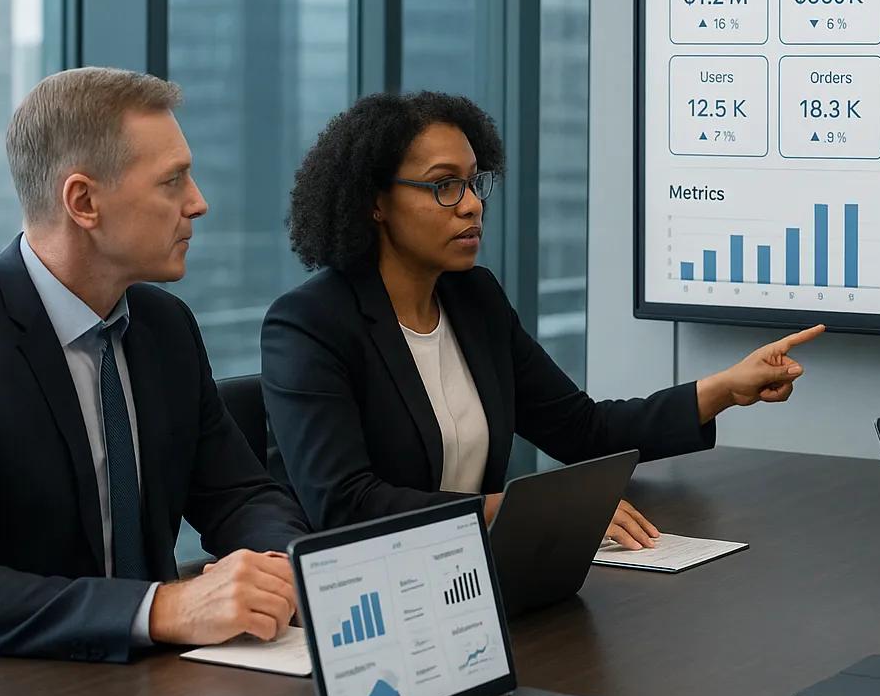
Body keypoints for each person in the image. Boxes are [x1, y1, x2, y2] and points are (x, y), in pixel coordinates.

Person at [262, 91, 823, 543]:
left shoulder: (473, 299)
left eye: (473, 182)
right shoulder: (311, 324)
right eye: (443, 186)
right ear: (375, 202)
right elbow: (344, 504)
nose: (472, 204)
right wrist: (516, 512)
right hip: (363, 600)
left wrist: (724, 388)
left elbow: (581, 431)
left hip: (471, 580)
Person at [0, 68, 308, 662]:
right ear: (83, 202)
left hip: (163, 688)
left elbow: (240, 495)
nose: (198, 202)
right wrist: (160, 608)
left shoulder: (165, 326)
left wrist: (281, 565)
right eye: (173, 181)